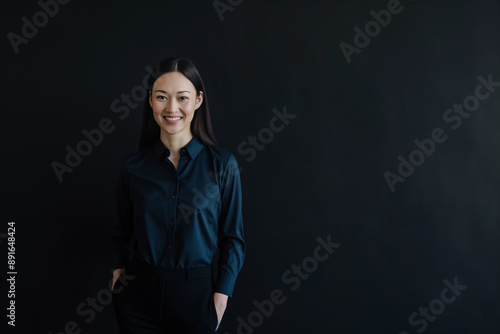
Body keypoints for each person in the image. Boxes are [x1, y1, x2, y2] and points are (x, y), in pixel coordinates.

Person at [111, 57, 245, 334]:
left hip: (196, 297)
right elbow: (121, 231)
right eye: (162, 97)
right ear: (150, 101)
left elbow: (233, 239)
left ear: (198, 100)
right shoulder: (133, 168)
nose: (172, 108)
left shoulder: (222, 166)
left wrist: (221, 297)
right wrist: (117, 276)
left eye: (182, 97)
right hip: (138, 297)